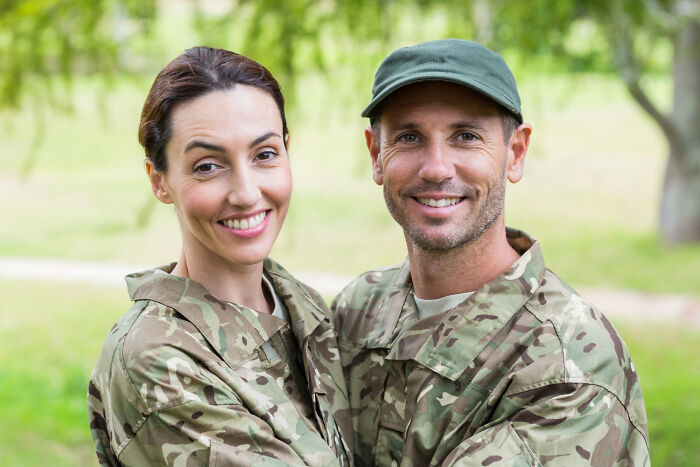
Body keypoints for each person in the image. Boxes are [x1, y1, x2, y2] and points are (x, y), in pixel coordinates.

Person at [331, 39, 650, 466]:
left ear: (514, 153)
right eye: (409, 137)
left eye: (466, 136)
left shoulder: (567, 363)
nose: (437, 167)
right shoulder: (359, 310)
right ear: (376, 155)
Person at [87, 46, 351, 466]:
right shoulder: (156, 359)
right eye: (208, 165)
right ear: (160, 180)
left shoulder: (302, 304)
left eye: (264, 155)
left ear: (287, 151)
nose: (246, 193)